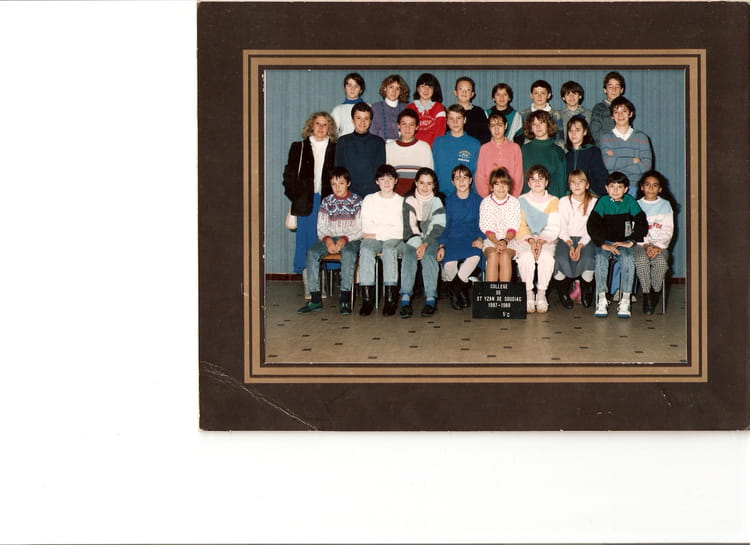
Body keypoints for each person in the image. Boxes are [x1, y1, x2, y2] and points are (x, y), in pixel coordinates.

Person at [282, 111, 337, 291]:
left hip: (327, 202)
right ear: (311, 126)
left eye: (325, 124)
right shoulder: (299, 147)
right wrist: (296, 196)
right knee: (306, 242)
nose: (321, 127)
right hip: (306, 201)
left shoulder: (335, 148)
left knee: (324, 240)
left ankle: (322, 283)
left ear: (329, 128)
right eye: (317, 123)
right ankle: (310, 287)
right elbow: (288, 176)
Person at [297, 167, 363, 315]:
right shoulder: (327, 201)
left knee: (349, 254)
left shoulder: (357, 201)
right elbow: (321, 226)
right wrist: (327, 240)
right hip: (330, 238)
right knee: (311, 253)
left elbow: (360, 228)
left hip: (351, 239)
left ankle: (345, 298)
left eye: (341, 183)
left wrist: (344, 239)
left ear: (348, 183)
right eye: (334, 184)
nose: (337, 187)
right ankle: (315, 299)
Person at [586, 171, 648, 318]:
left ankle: (625, 298)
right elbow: (592, 225)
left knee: (628, 259)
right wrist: (602, 244)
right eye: (612, 186)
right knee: (601, 258)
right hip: (605, 242)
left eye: (619, 187)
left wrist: (632, 241)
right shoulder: (602, 202)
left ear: (626, 189)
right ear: (606, 188)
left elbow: (642, 222)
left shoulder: (630, 201)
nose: (615, 190)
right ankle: (602, 298)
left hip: (623, 241)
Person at [398, 168, 446, 318]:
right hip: (411, 239)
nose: (425, 187)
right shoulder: (408, 200)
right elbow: (409, 226)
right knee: (408, 257)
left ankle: (430, 299)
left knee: (429, 257)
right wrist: (418, 244)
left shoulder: (437, 201)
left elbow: (438, 226)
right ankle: (405, 299)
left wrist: (425, 245)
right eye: (422, 183)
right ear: (416, 183)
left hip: (430, 240)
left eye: (429, 183)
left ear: (434, 185)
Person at [358, 164, 404, 316]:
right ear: (377, 181)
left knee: (389, 249)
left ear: (395, 181)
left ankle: (390, 299)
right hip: (375, 238)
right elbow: (366, 227)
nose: (386, 183)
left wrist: (377, 233)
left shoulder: (401, 201)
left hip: (394, 239)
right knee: (366, 248)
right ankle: (367, 299)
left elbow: (400, 229)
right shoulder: (369, 199)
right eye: (382, 179)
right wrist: (383, 232)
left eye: (390, 179)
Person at [437, 165, 484, 310]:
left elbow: (483, 224)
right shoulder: (449, 200)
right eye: (457, 178)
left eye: (465, 177)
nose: (461, 181)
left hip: (471, 238)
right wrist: (442, 245)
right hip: (453, 239)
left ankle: (453, 290)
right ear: (452, 182)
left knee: (475, 256)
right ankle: (461, 290)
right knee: (449, 264)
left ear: (470, 180)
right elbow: (446, 225)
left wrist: (480, 238)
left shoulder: (478, 200)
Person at [516, 165, 560, 313]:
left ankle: (541, 293)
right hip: (525, 240)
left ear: (546, 182)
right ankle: (528, 293)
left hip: (546, 240)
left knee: (546, 257)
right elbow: (520, 225)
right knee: (526, 257)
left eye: (540, 179)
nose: (537, 182)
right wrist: (531, 241)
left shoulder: (554, 201)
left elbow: (554, 226)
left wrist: (540, 241)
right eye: (533, 179)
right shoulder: (521, 200)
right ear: (528, 183)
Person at [552, 170, 598, 309]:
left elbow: (592, 229)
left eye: (581, 182)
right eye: (573, 182)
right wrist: (571, 245)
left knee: (588, 259)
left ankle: (586, 289)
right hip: (566, 238)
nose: (577, 185)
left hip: (587, 239)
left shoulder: (594, 202)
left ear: (587, 185)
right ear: (569, 185)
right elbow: (562, 228)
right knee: (560, 259)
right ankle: (563, 293)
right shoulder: (563, 201)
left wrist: (580, 246)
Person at [634, 170, 677, 314]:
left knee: (661, 263)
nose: (651, 188)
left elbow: (668, 229)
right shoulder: (636, 205)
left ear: (660, 189)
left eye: (655, 185)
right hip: (641, 244)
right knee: (641, 260)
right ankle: (646, 295)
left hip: (660, 246)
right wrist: (646, 245)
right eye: (647, 184)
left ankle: (655, 291)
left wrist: (658, 246)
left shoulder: (665, 205)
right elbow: (635, 229)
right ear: (642, 187)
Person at [599, 96, 652, 196]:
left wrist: (616, 158)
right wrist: (633, 160)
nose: (620, 115)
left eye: (624, 111)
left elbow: (646, 166)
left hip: (636, 188)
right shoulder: (606, 137)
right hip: (615, 188)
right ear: (612, 116)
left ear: (630, 114)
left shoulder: (642, 137)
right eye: (616, 112)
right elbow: (609, 164)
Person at [334, 102, 386, 198]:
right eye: (358, 118)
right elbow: (338, 171)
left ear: (370, 121)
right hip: (347, 194)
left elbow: (379, 172)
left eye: (366, 118)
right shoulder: (343, 141)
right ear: (352, 120)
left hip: (371, 194)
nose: (362, 122)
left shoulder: (378, 142)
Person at [479, 167, 521, 284]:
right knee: (493, 255)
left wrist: (505, 241)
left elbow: (513, 226)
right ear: (491, 187)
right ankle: (491, 292)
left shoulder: (514, 202)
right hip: (491, 240)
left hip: (510, 240)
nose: (501, 188)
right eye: (497, 184)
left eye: (504, 184)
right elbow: (487, 227)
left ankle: (504, 292)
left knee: (504, 255)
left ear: (509, 186)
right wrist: (497, 242)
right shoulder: (486, 202)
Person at [431, 104, 480, 196]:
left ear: (464, 120)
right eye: (451, 119)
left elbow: (476, 174)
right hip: (441, 195)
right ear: (447, 121)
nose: (455, 122)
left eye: (458, 118)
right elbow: (434, 170)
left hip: (465, 195)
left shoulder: (474, 144)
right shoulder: (438, 142)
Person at [385, 109, 433, 196]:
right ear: (398, 125)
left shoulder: (424, 148)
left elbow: (428, 178)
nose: (407, 128)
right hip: (394, 197)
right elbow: (386, 178)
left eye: (411, 124)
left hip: (417, 197)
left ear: (417, 127)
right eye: (404, 124)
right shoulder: (388, 148)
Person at [475, 111, 523, 198]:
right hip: (489, 197)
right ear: (489, 127)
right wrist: (487, 196)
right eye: (493, 126)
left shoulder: (515, 148)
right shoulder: (484, 149)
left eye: (500, 125)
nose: (496, 129)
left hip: (510, 197)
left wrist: (512, 196)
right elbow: (480, 176)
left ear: (505, 126)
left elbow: (518, 176)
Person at [520, 110, 567, 197]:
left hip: (551, 200)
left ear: (548, 125)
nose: (538, 126)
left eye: (541, 123)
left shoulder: (557, 151)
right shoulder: (523, 150)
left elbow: (562, 182)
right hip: (527, 200)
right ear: (530, 128)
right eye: (534, 124)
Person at [565, 116, 608, 196]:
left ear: (584, 132)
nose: (573, 134)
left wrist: (591, 194)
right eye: (570, 130)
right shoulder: (567, 156)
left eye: (577, 130)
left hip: (590, 196)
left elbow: (601, 179)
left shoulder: (593, 152)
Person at [515, 79, 564, 146]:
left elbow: (560, 140)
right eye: (536, 93)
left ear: (548, 95)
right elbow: (517, 140)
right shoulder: (522, 115)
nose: (539, 96)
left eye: (543, 93)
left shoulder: (557, 115)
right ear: (531, 95)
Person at [406, 73, 446, 147]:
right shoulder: (410, 107)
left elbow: (439, 133)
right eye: (423, 86)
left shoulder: (439, 108)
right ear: (418, 89)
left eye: (430, 87)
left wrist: (431, 148)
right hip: (413, 147)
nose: (426, 90)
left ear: (434, 90)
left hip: (432, 148)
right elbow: (407, 131)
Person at [370, 74, 409, 141]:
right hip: (380, 145)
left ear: (401, 91)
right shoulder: (375, 108)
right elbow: (372, 133)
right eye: (391, 87)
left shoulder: (406, 108)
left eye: (397, 88)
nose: (394, 91)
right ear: (385, 88)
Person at [589, 71, 625, 144]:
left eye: (617, 87)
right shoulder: (599, 108)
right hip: (604, 148)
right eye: (610, 87)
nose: (614, 90)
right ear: (605, 90)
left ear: (621, 90)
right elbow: (594, 132)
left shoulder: (626, 108)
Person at [452, 76, 491, 144]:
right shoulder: (450, 113)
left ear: (472, 94)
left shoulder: (479, 112)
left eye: (468, 90)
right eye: (461, 89)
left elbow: (486, 136)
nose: (464, 92)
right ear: (455, 92)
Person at [330, 72, 366, 137]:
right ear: (345, 88)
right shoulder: (338, 110)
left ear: (361, 90)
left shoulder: (369, 107)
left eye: (356, 86)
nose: (352, 89)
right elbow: (332, 133)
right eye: (349, 85)